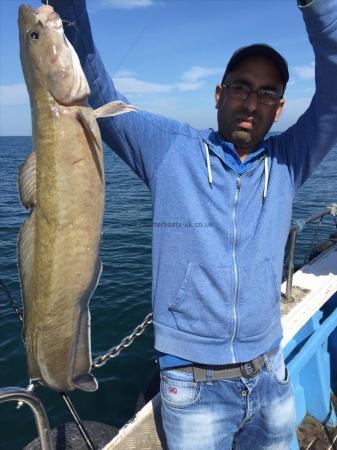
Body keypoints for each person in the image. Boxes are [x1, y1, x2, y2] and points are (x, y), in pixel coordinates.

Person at [50, 1, 337, 448]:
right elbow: (94, 90)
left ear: (279, 108)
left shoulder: (289, 161)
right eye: (242, 87)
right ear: (219, 94)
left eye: (267, 93)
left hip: (270, 375)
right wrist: (68, 11)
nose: (252, 102)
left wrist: (317, 7)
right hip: (193, 386)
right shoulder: (169, 149)